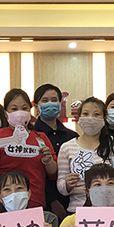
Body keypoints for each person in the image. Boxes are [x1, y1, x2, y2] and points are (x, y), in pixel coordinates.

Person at [0, 88, 58, 214]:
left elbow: (53, 174)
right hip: (1, 202)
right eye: (14, 109)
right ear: (6, 113)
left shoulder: (40, 138)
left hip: (34, 201)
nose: (19, 113)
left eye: (24, 108)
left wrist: (48, 161)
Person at [56, 97, 114, 213]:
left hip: (112, 211)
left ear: (104, 118)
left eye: (96, 114)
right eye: (85, 114)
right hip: (78, 211)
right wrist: (67, 184)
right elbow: (61, 187)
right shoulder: (67, 147)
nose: (90, 118)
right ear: (79, 117)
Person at [32, 84, 78, 218]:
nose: (50, 104)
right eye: (45, 100)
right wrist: (52, 200)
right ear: (36, 106)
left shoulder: (72, 136)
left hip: (71, 199)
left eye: (54, 100)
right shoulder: (31, 135)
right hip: (41, 200)